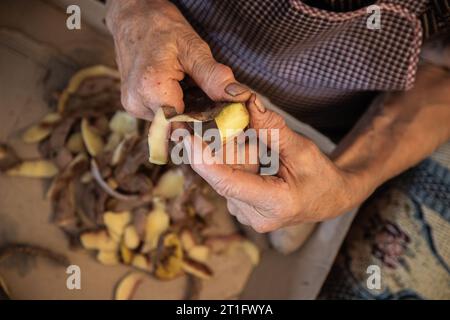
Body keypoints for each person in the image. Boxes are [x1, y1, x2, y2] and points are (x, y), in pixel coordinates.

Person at [106, 1, 450, 298]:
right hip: (150, 57)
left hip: (322, 117)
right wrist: (132, 7)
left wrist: (348, 179)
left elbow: (443, 76)